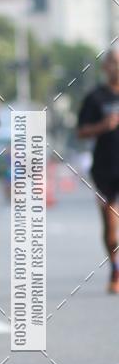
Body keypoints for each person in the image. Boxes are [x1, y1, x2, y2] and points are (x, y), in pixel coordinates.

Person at [77, 47, 119, 293]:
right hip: (105, 169)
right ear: (105, 67)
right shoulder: (95, 98)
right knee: (110, 225)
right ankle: (115, 267)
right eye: (113, 62)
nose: (117, 66)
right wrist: (103, 125)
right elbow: (81, 131)